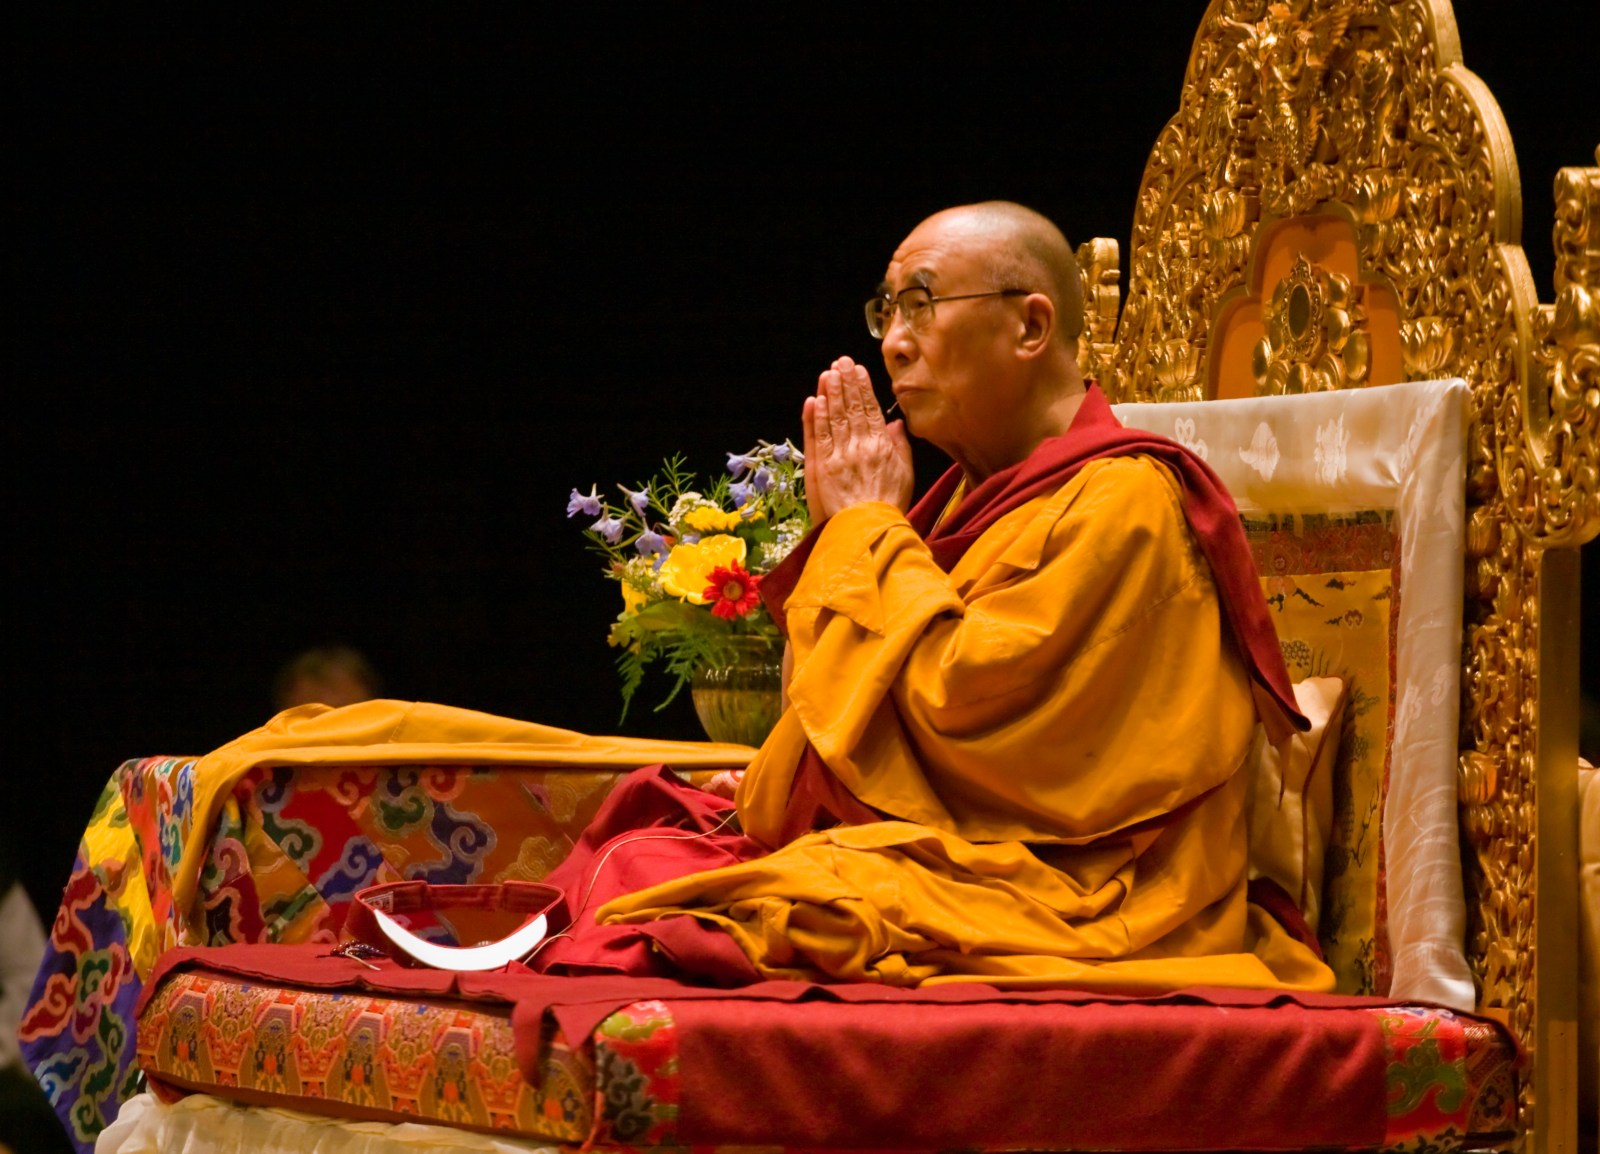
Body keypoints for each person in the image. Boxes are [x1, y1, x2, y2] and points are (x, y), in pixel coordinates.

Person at [537, 201, 1333, 992]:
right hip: (964, 852)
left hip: (1078, 887)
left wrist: (866, 529)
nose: (892, 341)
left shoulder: (1124, 502)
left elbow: (972, 714)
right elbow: (868, 702)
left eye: (921, 304)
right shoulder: (960, 498)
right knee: (647, 841)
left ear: (1030, 327)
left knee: (751, 906)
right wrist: (799, 770)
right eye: (886, 309)